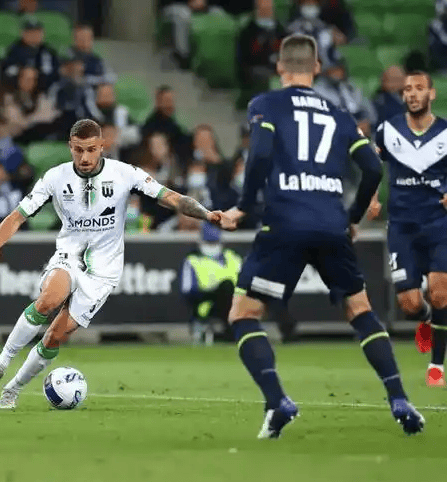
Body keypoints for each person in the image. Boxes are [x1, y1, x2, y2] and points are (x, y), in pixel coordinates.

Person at [223, 34, 424, 438]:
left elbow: (259, 154)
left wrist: (243, 206)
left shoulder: (265, 104)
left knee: (243, 315)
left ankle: (277, 401)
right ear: (316, 68)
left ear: (280, 67)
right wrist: (353, 217)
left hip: (285, 221)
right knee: (360, 310)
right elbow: (373, 168)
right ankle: (400, 398)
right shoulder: (339, 113)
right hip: (332, 222)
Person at [0, 118, 234, 409]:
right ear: (70, 147)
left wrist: (207, 214)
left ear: (102, 147)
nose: (84, 157)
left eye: (91, 149)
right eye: (78, 150)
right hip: (69, 256)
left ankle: (13, 388)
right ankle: (0, 362)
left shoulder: (125, 174)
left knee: (55, 336)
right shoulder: (55, 178)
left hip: (104, 272)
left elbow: (170, 197)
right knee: (49, 299)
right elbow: (17, 215)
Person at [369, 71, 447, 387]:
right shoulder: (387, 131)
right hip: (402, 226)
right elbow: (371, 165)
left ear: (432, 94)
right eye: (407, 90)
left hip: (439, 223)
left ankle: (436, 367)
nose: (412, 94)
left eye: (419, 88)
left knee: (441, 293)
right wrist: (372, 198)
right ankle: (426, 320)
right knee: (410, 304)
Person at [180, 222, 242, 345]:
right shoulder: (193, 261)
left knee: (231, 288)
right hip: (207, 304)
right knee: (226, 286)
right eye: (209, 243)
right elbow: (187, 291)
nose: (212, 246)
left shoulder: (233, 257)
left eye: (214, 243)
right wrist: (215, 292)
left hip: (235, 303)